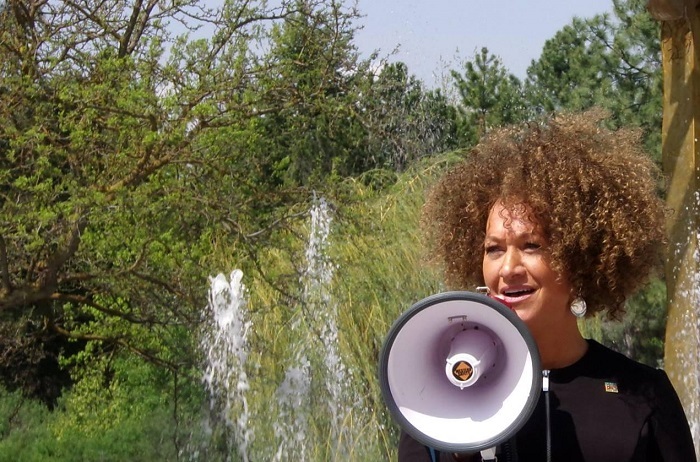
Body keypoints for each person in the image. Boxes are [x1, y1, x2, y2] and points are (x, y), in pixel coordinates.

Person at [398, 110, 697, 461]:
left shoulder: (644, 395)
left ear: (582, 257)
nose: (508, 268)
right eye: (493, 249)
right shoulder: (437, 404)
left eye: (532, 246)